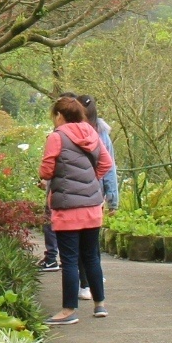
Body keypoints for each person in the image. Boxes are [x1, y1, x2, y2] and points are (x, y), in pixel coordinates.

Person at [38, 93, 114, 322]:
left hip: (67, 209)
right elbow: (106, 163)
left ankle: (69, 311)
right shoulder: (91, 132)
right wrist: (91, 182)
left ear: (60, 115)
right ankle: (99, 304)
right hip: (92, 206)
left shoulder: (56, 137)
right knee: (92, 257)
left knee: (70, 259)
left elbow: (46, 171)